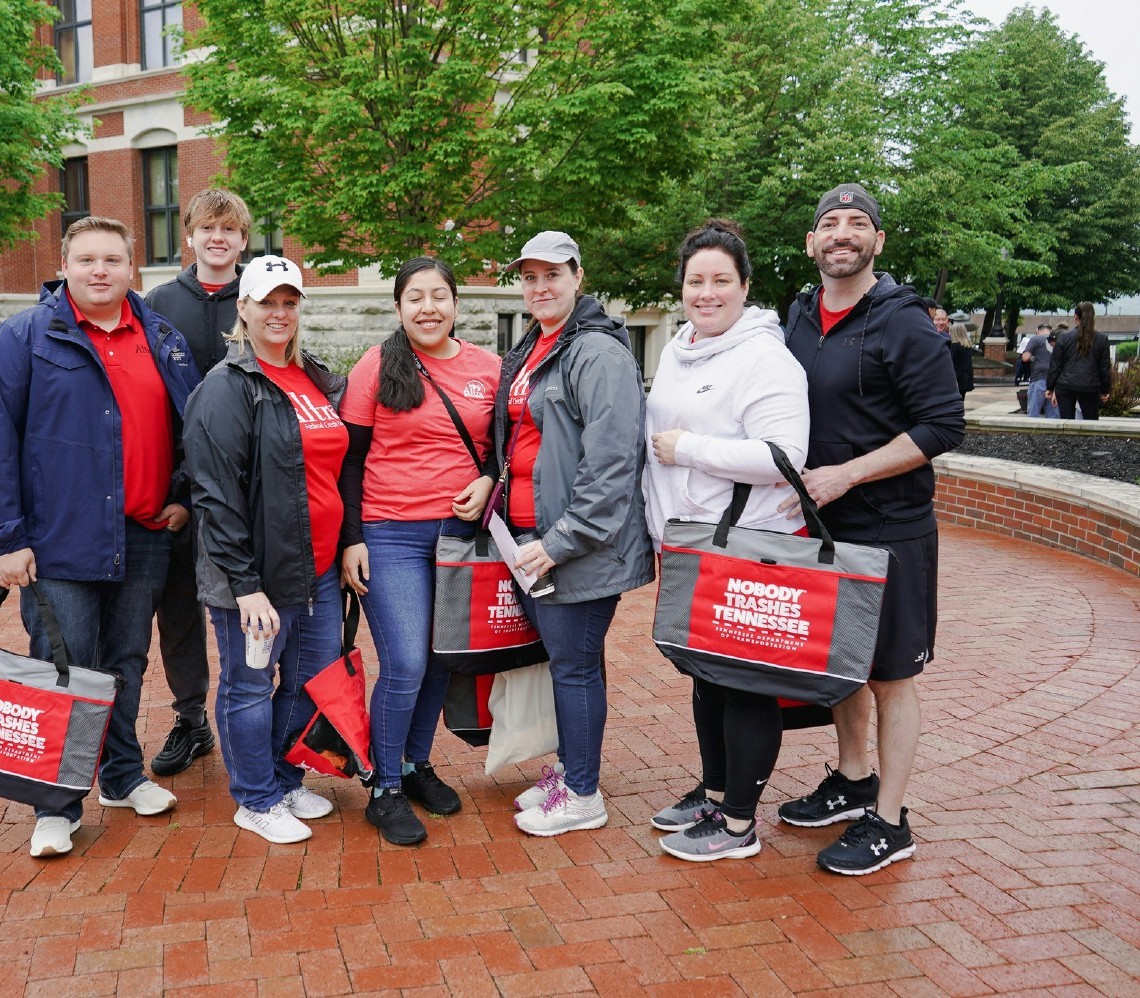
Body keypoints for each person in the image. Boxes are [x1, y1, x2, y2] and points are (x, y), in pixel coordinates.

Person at [0, 216, 199, 858]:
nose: (101, 270)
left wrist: (180, 499)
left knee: (124, 664)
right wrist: (4, 538)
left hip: (144, 532)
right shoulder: (25, 338)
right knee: (66, 669)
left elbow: (193, 426)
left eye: (114, 260)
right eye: (87, 259)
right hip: (58, 540)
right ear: (64, 266)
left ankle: (121, 777)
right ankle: (56, 805)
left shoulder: (161, 336)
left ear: (133, 270)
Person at [778, 183, 964, 876]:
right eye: (829, 224)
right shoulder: (797, 314)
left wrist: (850, 473)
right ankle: (853, 782)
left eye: (858, 224)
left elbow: (942, 426)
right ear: (811, 242)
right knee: (844, 667)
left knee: (890, 676)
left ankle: (890, 820)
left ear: (878, 242)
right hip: (822, 528)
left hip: (891, 527)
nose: (842, 234)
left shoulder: (904, 321)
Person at [643, 220, 809, 862]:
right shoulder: (680, 348)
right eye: (695, 281)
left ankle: (739, 822)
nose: (706, 293)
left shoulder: (765, 357)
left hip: (750, 544)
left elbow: (784, 455)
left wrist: (690, 450)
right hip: (693, 545)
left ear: (744, 286)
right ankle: (715, 791)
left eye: (720, 281)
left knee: (744, 683)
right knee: (707, 676)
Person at [183, 254, 350, 845]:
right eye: (266, 302)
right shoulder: (226, 389)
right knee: (250, 685)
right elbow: (215, 497)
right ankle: (254, 798)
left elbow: (338, 471)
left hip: (320, 569)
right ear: (243, 310)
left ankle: (281, 777)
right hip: (254, 578)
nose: (279, 313)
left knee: (309, 682)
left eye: (289, 302)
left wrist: (349, 540)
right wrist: (245, 585)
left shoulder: (315, 378)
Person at [491, 231, 652, 837]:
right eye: (529, 277)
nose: (540, 287)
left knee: (575, 666)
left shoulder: (598, 352)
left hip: (572, 545)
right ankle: (572, 768)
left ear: (578, 277)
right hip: (534, 533)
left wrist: (558, 544)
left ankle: (584, 794)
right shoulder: (536, 345)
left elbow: (611, 463)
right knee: (569, 662)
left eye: (552, 275)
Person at [338, 257, 500, 846]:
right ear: (399, 307)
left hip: (459, 539)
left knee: (440, 657)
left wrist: (488, 480)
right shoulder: (377, 365)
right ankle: (384, 788)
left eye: (439, 296)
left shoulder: (488, 367)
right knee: (405, 661)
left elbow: (501, 450)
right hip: (390, 534)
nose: (427, 308)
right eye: (414, 298)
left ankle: (413, 763)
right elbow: (348, 457)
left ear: (456, 304)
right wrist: (351, 537)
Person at [142, 188, 253, 777]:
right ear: (188, 235)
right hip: (180, 496)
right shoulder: (157, 305)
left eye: (230, 230)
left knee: (259, 609)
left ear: (243, 239)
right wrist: (178, 493)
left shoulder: (262, 299)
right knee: (180, 613)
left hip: (252, 495)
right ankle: (191, 718)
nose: (219, 238)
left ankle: (263, 716)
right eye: (208, 228)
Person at [1046, 302, 1112, 421]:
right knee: (1091, 422)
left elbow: (1055, 365)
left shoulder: (1064, 338)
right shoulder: (1102, 339)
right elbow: (1104, 367)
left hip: (1065, 384)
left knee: (1066, 422)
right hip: (1090, 385)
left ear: (1075, 317)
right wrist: (1105, 390)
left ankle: (1066, 440)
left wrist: (1050, 387)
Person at [1022, 323, 1059, 418]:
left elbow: (1025, 358)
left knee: (1033, 412)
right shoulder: (1057, 340)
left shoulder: (1035, 339)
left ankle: (1032, 432)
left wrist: (1033, 358)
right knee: (1053, 415)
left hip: (1038, 378)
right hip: (1054, 381)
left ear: (1037, 330)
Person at [948, 322, 976, 399]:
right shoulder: (968, 346)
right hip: (966, 378)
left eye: (951, 331)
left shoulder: (954, 346)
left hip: (957, 378)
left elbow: (951, 363)